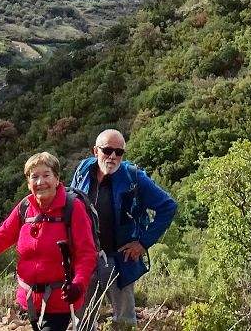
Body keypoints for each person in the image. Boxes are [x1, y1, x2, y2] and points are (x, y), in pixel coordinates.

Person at [0, 151, 98, 331]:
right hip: (30, 300)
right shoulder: (25, 207)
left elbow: (86, 254)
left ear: (57, 179)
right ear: (28, 183)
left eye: (46, 175)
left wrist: (78, 285)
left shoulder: (73, 208)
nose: (40, 182)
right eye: (34, 177)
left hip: (61, 300)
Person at [70, 129, 178, 329]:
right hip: (85, 258)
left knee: (124, 321)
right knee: (83, 320)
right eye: (107, 150)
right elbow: (71, 205)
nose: (112, 157)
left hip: (118, 259)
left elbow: (168, 206)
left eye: (118, 152)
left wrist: (143, 242)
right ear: (95, 151)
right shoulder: (83, 170)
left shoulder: (134, 178)